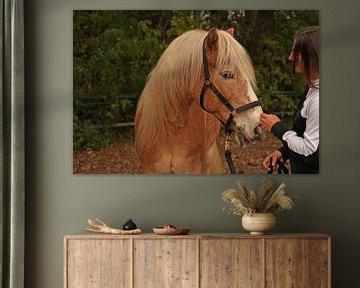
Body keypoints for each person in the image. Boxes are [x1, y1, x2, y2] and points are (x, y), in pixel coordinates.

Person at [260, 26, 319, 174]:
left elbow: (311, 153)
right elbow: (304, 134)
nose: (290, 57)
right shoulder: (312, 88)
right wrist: (283, 152)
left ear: (312, 55)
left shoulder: (319, 100)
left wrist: (277, 128)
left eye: (296, 52)